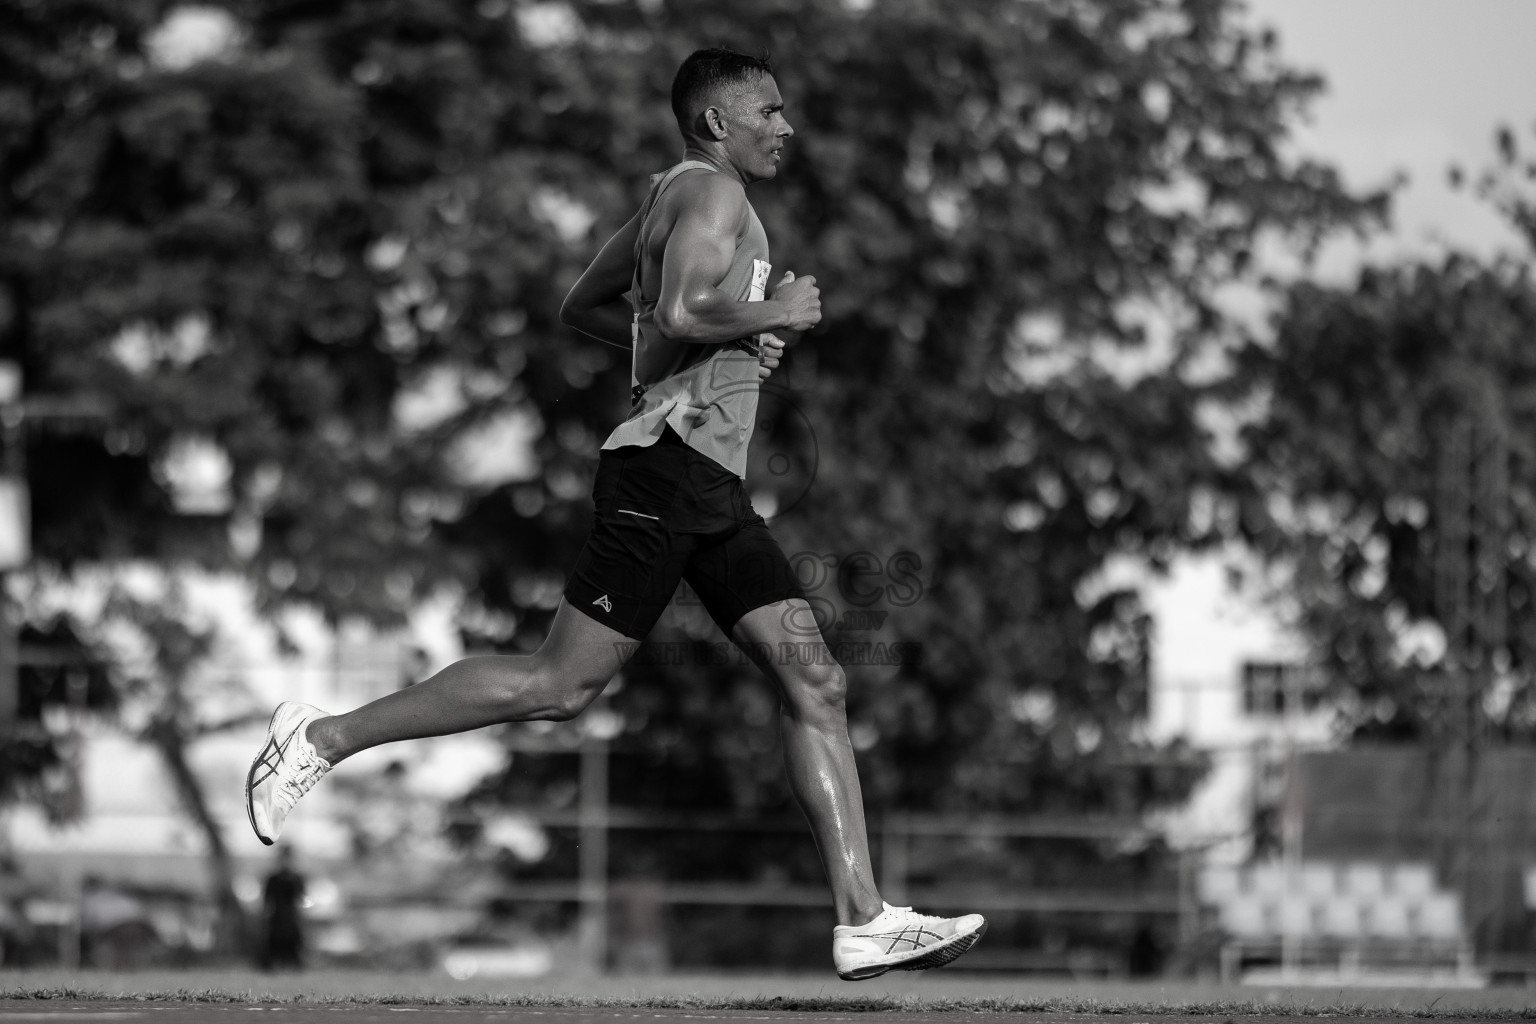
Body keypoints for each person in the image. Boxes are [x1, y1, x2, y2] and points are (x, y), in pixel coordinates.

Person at [246, 47, 985, 981]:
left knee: (819, 681)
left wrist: (705, 347)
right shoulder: (713, 198)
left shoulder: (671, 197)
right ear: (718, 122)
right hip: (664, 475)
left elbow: (587, 306)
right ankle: (319, 737)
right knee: (559, 688)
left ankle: (864, 917)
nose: (786, 127)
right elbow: (675, 313)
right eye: (770, 111)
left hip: (707, 484)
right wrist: (775, 313)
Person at [259, 846, 306, 970]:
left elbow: (302, 900)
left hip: (291, 919)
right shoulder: (273, 879)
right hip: (277, 919)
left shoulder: (297, 878)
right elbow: (266, 901)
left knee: (294, 955)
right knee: (272, 954)